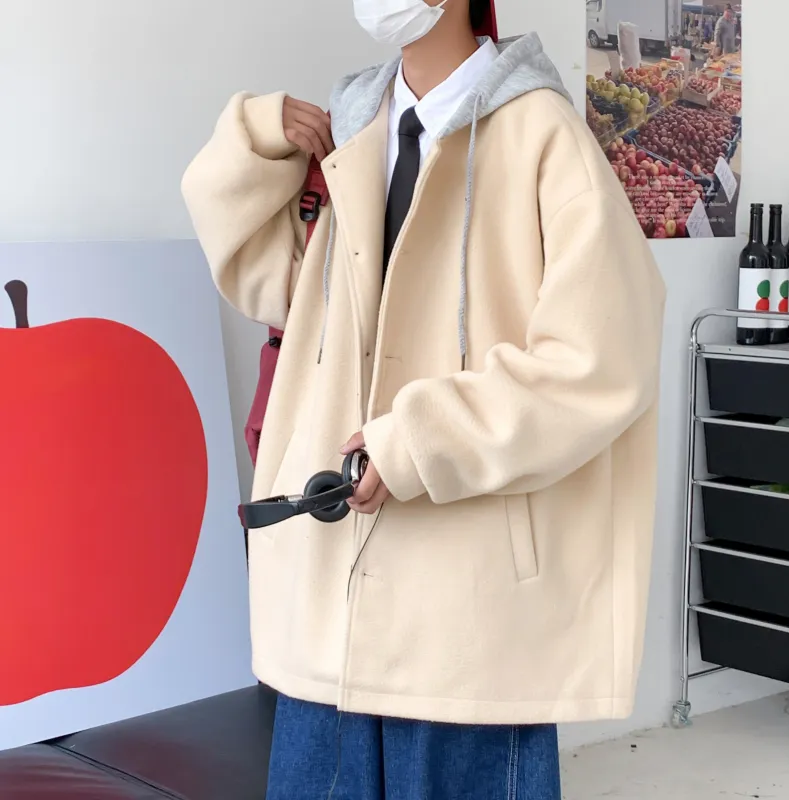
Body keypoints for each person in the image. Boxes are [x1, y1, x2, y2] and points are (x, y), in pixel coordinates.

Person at [182, 0, 665, 797]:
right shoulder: (351, 134)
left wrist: (420, 441)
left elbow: (602, 358)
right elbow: (277, 288)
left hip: (468, 614)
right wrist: (256, 140)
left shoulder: (544, 135)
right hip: (329, 597)